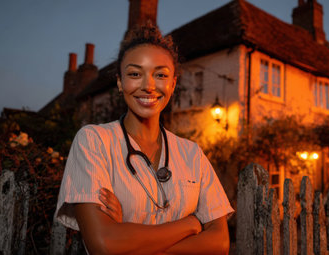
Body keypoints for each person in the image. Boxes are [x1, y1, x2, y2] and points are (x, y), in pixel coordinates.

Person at [54, 24, 234, 254]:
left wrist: (129, 238)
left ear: (173, 83)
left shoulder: (192, 153)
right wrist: (192, 224)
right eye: (134, 74)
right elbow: (104, 244)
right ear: (120, 82)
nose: (148, 86)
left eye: (160, 75)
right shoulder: (94, 141)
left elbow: (219, 243)